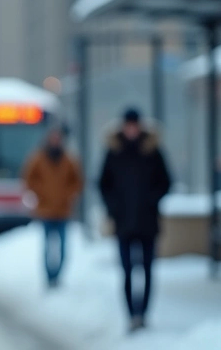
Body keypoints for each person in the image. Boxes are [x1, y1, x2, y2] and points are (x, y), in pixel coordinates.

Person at [98, 107, 172, 332]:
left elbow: (166, 181)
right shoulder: (114, 151)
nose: (131, 129)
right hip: (123, 221)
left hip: (147, 221)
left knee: (148, 270)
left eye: (134, 125)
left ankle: (144, 313)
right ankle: (131, 314)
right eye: (128, 125)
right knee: (128, 270)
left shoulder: (152, 151)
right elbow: (103, 183)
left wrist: (152, 200)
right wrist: (114, 207)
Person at [22, 125, 83, 288]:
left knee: (63, 248)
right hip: (46, 210)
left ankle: (57, 276)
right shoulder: (38, 158)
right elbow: (28, 179)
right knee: (48, 247)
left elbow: (77, 182)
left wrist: (68, 194)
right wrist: (40, 192)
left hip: (63, 210)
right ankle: (49, 277)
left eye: (58, 138)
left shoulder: (69, 159)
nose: (56, 140)